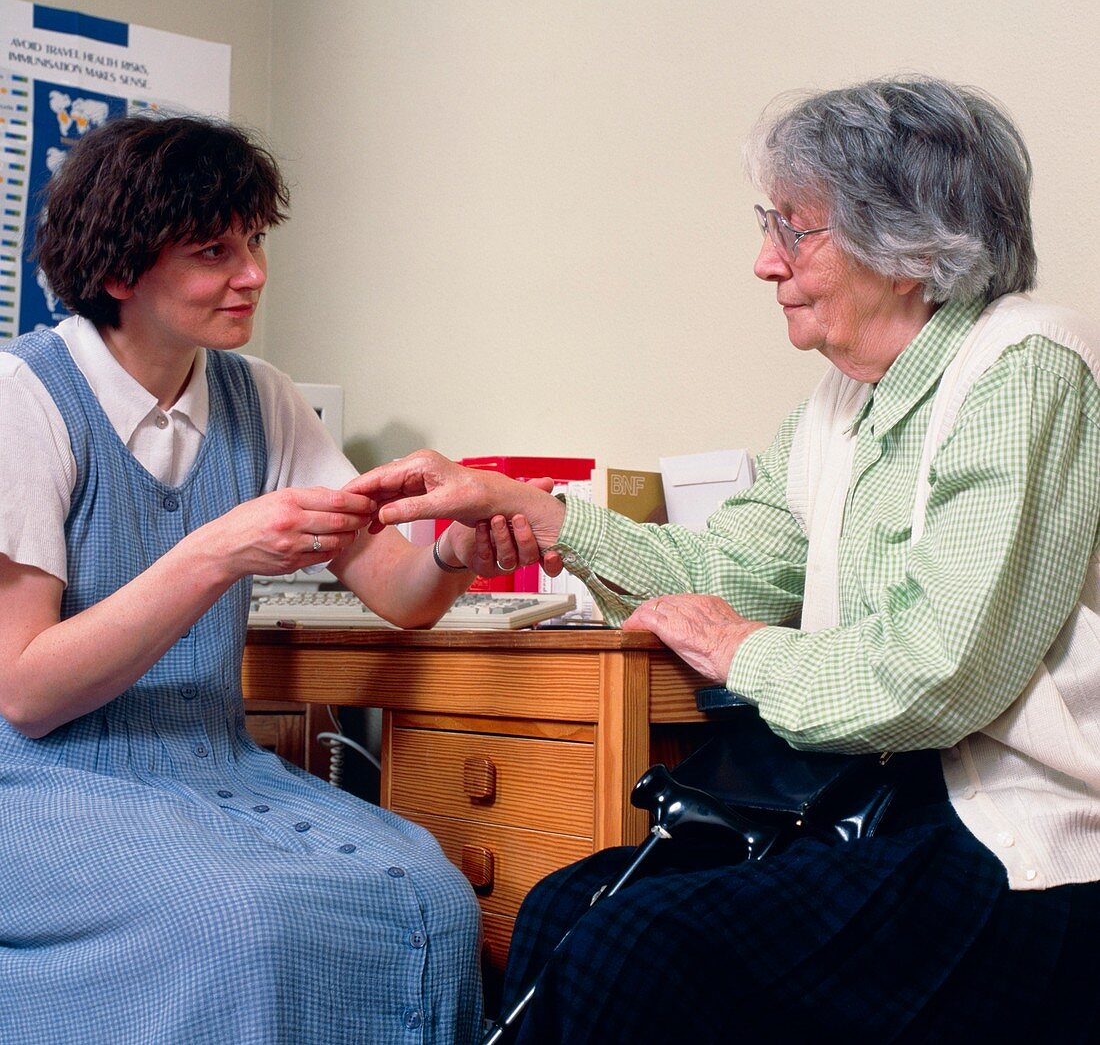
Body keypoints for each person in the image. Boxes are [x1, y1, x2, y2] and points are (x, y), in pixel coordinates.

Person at [349, 77, 1100, 1042]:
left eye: (796, 229)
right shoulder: (843, 404)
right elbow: (732, 568)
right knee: (562, 910)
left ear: (909, 247)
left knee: (641, 951)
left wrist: (744, 652)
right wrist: (538, 512)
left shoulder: (1027, 367)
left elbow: (941, 670)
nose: (763, 261)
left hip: (1011, 833)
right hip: (874, 799)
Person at [0, 114, 546, 1044]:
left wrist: (453, 550)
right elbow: (25, 691)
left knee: (435, 902)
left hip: (214, 765)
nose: (252, 273)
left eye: (253, 243)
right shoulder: (24, 398)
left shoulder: (259, 395)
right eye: (213, 250)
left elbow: (398, 595)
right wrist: (217, 550)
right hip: (41, 786)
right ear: (121, 271)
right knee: (239, 919)